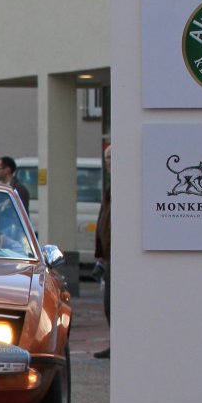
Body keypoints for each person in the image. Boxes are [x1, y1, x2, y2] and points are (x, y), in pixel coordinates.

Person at [94, 144, 112, 359]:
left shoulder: (121, 183)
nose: (109, 162)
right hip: (108, 253)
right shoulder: (110, 184)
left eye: (112, 157)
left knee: (112, 301)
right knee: (109, 303)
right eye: (107, 158)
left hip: (116, 253)